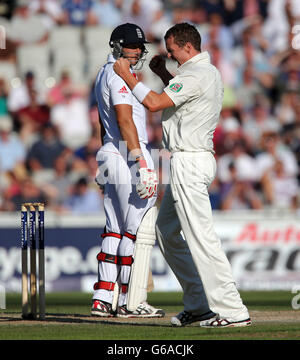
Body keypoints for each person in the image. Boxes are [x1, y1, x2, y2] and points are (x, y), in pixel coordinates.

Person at [114, 22, 251, 327]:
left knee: (201, 237)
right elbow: (180, 99)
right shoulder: (202, 74)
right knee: (166, 231)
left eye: (173, 50)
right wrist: (163, 73)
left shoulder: (197, 74)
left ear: (187, 46)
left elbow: (153, 103)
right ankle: (199, 304)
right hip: (187, 160)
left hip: (190, 160)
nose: (171, 55)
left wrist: (127, 76)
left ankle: (232, 310)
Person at [91, 23, 164, 318]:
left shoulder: (103, 72)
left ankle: (103, 297)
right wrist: (141, 163)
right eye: (134, 46)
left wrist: (104, 156)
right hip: (126, 152)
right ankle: (128, 300)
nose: (139, 51)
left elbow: (103, 123)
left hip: (113, 150)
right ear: (118, 45)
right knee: (134, 228)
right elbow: (124, 121)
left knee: (115, 227)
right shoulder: (118, 74)